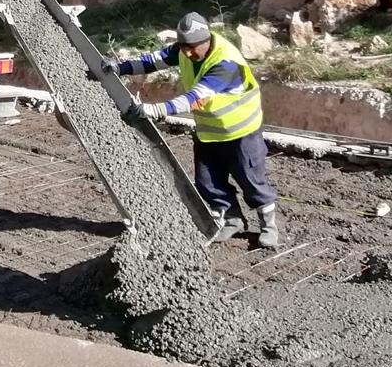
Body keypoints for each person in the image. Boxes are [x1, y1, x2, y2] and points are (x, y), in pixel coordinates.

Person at [91, 12, 280, 247]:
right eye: (184, 47)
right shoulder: (184, 50)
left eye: (193, 48)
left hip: (241, 132)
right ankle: (232, 220)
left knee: (251, 180)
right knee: (208, 181)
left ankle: (268, 226)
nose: (188, 54)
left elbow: (195, 97)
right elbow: (153, 61)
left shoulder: (225, 63)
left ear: (207, 40)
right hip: (210, 131)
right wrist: (120, 68)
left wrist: (154, 110)